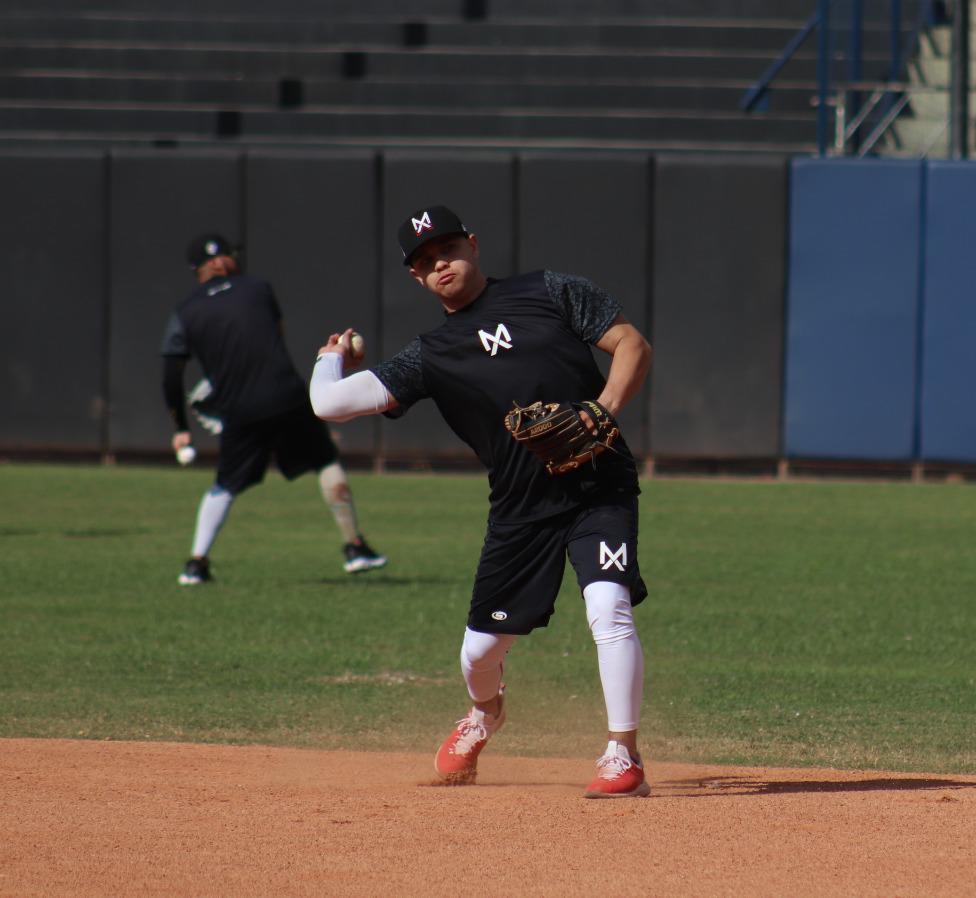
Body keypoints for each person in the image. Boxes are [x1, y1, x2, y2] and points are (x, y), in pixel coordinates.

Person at [308, 205, 654, 798]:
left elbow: (630, 345)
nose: (437, 261)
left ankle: (623, 753)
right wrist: (329, 357)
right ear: (415, 278)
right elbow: (328, 405)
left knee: (608, 608)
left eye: (445, 247)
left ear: (472, 244)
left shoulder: (550, 291)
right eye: (422, 260)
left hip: (599, 485)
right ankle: (484, 713)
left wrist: (602, 412)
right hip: (520, 509)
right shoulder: (430, 354)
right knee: (480, 652)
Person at [160, 233, 388, 586]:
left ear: (198, 270)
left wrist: (180, 428)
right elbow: (272, 338)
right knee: (325, 461)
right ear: (226, 261)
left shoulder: (186, 312)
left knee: (225, 484)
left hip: (239, 407)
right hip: (285, 396)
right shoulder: (258, 289)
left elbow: (171, 373)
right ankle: (354, 548)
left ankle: (195, 562)